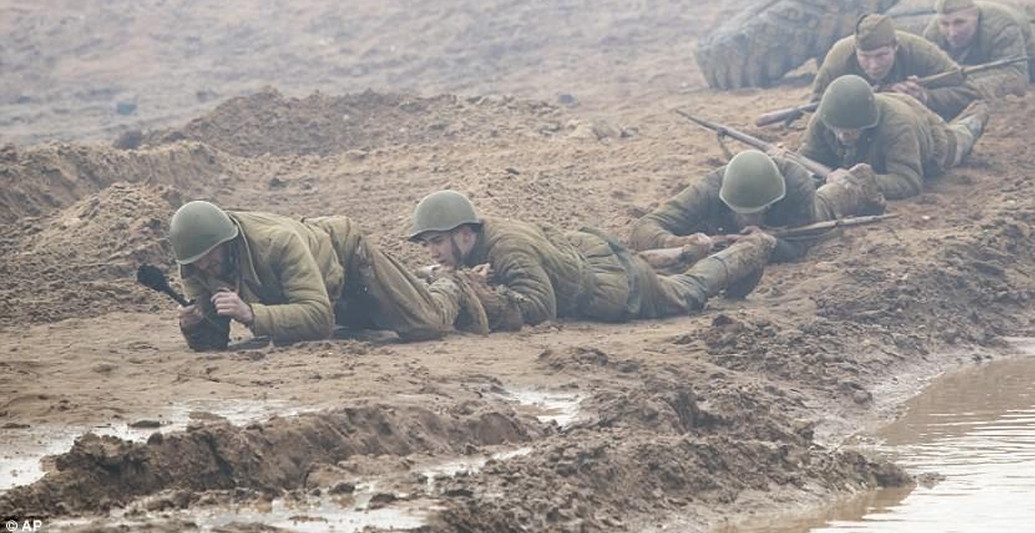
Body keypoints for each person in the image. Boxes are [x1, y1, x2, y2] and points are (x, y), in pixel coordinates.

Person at [407, 189, 775, 332]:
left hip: (614, 287)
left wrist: (483, 291)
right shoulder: (487, 238)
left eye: (438, 242)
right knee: (648, 264)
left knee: (688, 291)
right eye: (428, 245)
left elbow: (539, 306)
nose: (433, 252)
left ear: (465, 234)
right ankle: (687, 252)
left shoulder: (506, 248)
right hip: (587, 257)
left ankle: (751, 249)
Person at [169, 200, 484, 351]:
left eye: (211, 258)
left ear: (229, 242)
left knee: (426, 323)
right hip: (318, 285)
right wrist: (194, 326)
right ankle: (416, 279)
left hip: (345, 258)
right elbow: (213, 344)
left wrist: (251, 313)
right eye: (197, 264)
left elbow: (319, 319)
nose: (205, 268)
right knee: (364, 326)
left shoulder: (276, 242)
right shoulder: (196, 263)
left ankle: (446, 281)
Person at [628, 149, 883, 263]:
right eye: (741, 211)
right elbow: (645, 227)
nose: (748, 219)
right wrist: (676, 242)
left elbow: (802, 243)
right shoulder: (710, 188)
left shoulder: (795, 183)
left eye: (756, 211)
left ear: (772, 203)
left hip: (802, 215)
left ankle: (856, 182)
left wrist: (769, 242)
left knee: (829, 203)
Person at [800, 75, 990, 200]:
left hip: (933, 140)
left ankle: (977, 115)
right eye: (837, 129)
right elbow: (806, 162)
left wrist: (862, 181)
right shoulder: (824, 118)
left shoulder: (898, 126)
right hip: (887, 106)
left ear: (868, 124)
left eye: (852, 130)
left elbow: (909, 181)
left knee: (960, 139)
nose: (842, 136)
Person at [811, 13, 980, 120]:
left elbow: (970, 93)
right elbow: (816, 109)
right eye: (865, 57)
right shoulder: (838, 59)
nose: (874, 65)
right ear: (855, 51)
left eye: (881, 55)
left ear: (896, 47)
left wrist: (925, 97)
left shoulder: (920, 51)